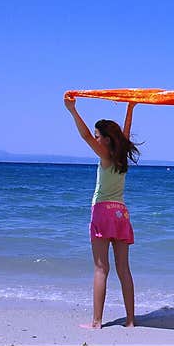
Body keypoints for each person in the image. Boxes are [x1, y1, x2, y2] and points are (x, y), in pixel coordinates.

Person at [64, 95, 141, 328]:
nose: (95, 140)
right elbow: (125, 133)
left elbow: (86, 135)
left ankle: (97, 322)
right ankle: (130, 320)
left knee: (101, 269)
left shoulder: (106, 156)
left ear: (106, 140)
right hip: (121, 214)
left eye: (99, 137)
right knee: (124, 269)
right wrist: (130, 108)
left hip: (102, 212)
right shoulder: (121, 156)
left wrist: (72, 111)